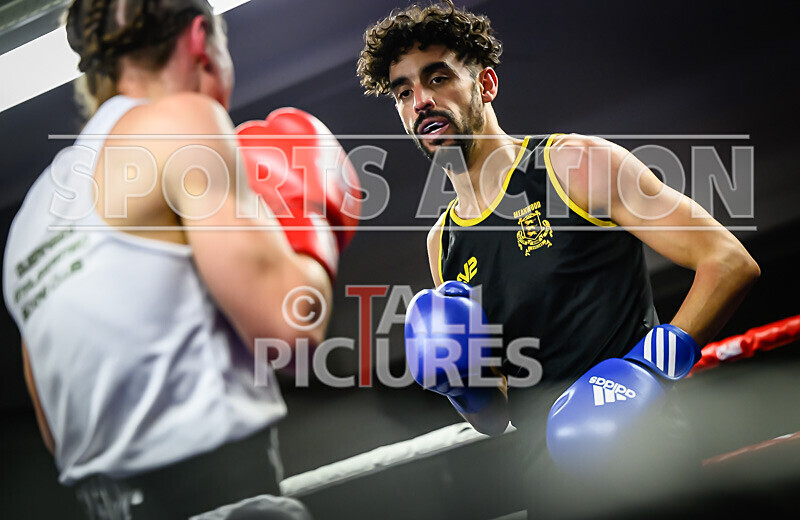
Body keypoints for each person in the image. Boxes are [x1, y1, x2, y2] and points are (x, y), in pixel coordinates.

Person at [357, 1, 760, 517]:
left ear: (485, 85)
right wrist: (463, 384)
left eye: (438, 78)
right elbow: (495, 413)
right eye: (405, 91)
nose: (422, 102)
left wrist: (643, 374)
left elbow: (728, 262)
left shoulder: (572, 164)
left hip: (650, 468)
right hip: (547, 493)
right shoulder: (444, 241)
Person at [2, 1, 358, 518]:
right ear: (200, 40)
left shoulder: (31, 218)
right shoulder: (184, 120)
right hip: (222, 497)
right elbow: (290, 330)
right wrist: (305, 212)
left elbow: (59, 438)